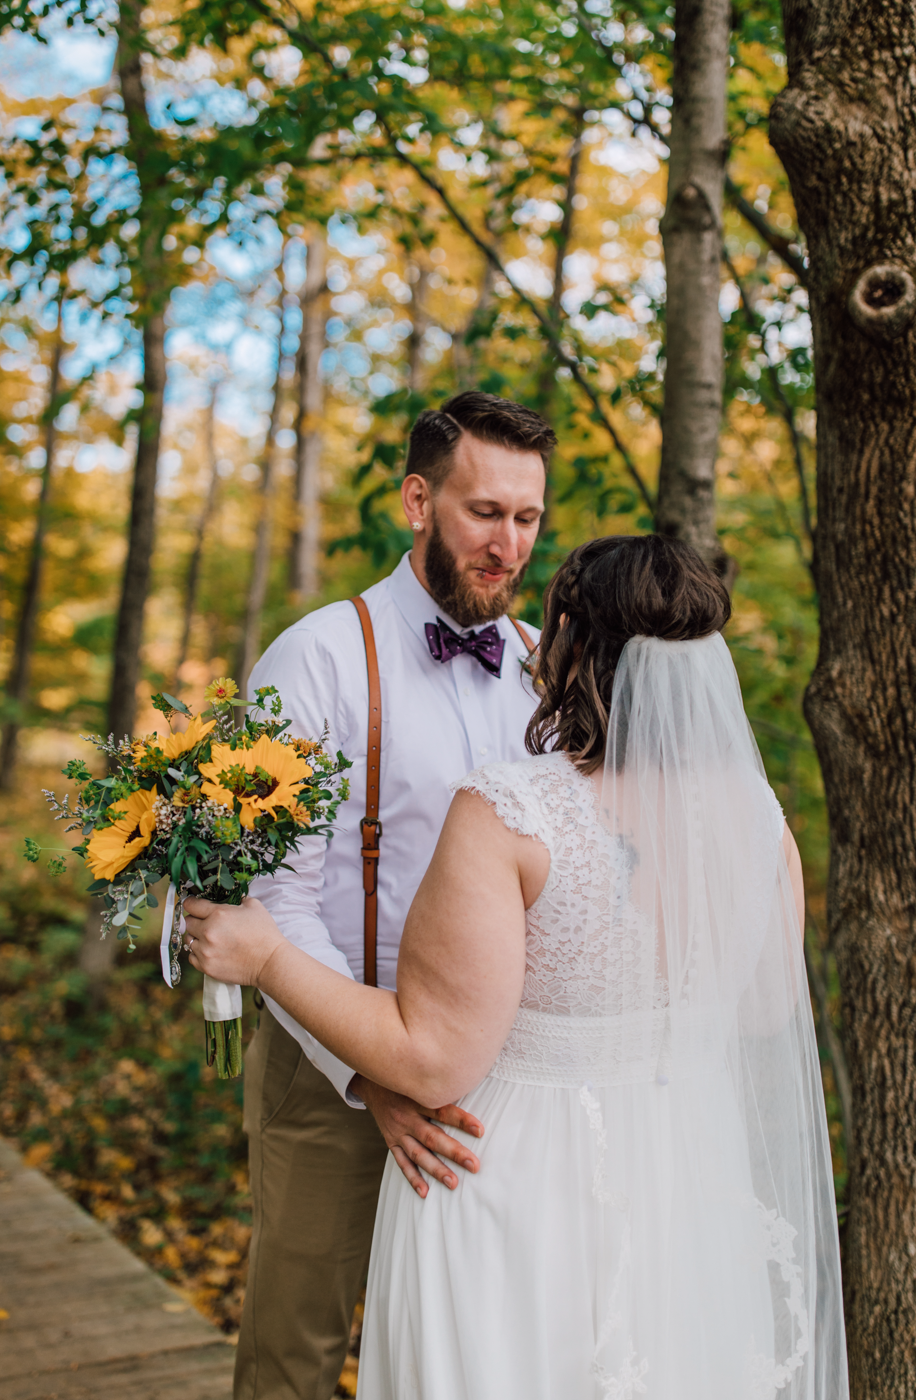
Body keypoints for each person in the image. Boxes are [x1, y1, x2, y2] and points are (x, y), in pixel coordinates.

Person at [185, 534, 848, 1400]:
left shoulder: (510, 810)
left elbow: (433, 1058)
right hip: (687, 1173)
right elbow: (761, 1012)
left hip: (521, 1186)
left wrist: (265, 954)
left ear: (568, 640)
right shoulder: (758, 818)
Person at [229, 391, 554, 1400]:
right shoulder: (316, 656)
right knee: (295, 1349)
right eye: (482, 512)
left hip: (501, 1084)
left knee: (470, 1352)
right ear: (419, 500)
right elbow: (267, 903)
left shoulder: (547, 667)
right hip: (329, 1066)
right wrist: (375, 1073)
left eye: (528, 517)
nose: (508, 544)